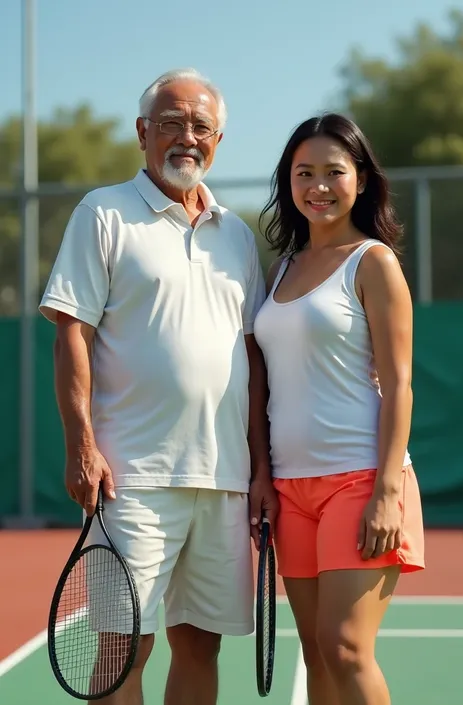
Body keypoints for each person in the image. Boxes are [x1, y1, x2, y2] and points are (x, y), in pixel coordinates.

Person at [39, 67, 278, 705]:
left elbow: (252, 359)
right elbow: (71, 336)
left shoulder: (237, 236)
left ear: (218, 140)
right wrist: (81, 445)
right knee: (125, 650)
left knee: (201, 645)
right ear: (143, 132)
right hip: (131, 479)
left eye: (201, 126)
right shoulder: (103, 212)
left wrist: (260, 469)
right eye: (170, 123)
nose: (186, 137)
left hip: (225, 482)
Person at [253, 113, 425, 705]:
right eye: (305, 173)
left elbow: (400, 383)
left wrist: (387, 490)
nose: (318, 186)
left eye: (334, 171)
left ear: (361, 180)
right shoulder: (278, 272)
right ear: (288, 182)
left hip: (359, 479)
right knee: (318, 652)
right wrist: (264, 481)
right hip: (289, 489)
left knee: (346, 648)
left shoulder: (373, 262)